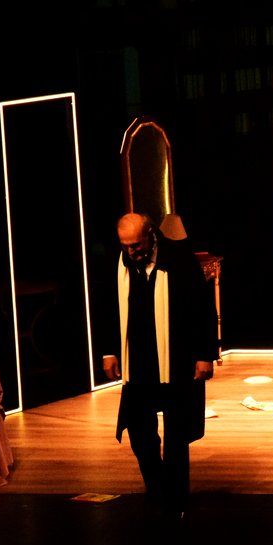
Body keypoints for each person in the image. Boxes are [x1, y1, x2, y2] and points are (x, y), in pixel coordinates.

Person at [102, 213, 216, 518]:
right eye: (126, 246)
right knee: (139, 432)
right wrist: (109, 352)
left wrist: (205, 354)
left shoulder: (177, 258)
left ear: (150, 235)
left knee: (177, 434)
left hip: (176, 360)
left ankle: (176, 498)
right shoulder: (120, 263)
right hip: (138, 362)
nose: (132, 251)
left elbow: (202, 307)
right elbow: (107, 307)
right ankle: (156, 487)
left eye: (136, 245)